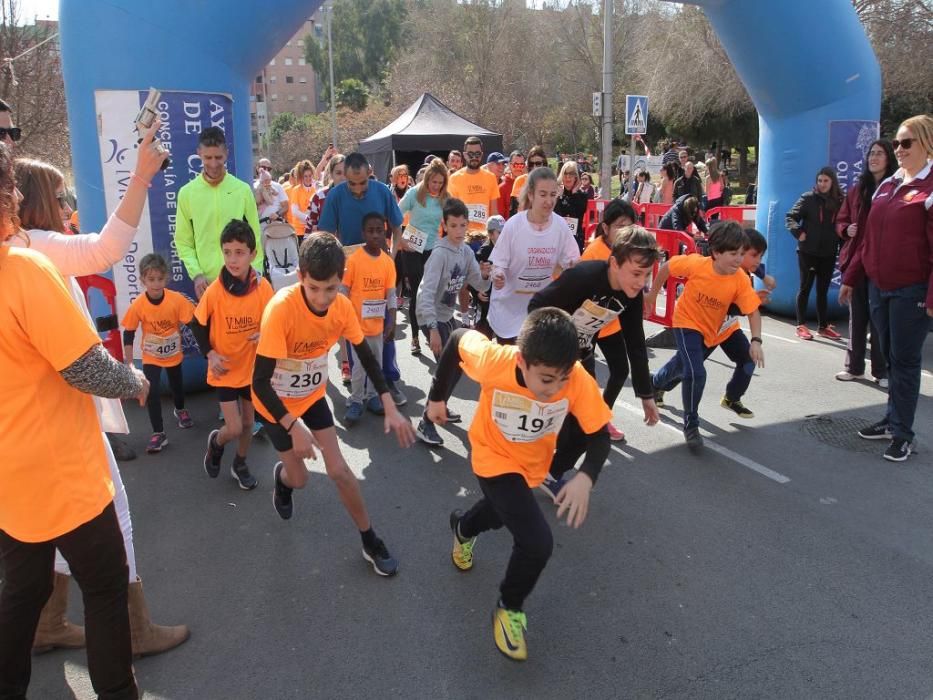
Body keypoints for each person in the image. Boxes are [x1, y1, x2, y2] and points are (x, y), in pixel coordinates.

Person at [11, 134, 189, 657]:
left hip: (32, 422)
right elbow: (106, 248)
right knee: (115, 515)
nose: (69, 207)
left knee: (43, 529)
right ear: (38, 201)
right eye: (62, 197)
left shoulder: (23, 249)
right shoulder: (32, 248)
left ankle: (46, 623)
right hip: (61, 414)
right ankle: (132, 631)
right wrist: (140, 176)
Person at [0, 141, 145, 699]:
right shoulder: (26, 269)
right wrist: (134, 381)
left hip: (12, 481)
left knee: (23, 586)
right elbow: (86, 369)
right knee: (105, 589)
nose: (17, 195)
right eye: (10, 185)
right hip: (62, 472)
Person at [425, 308, 612, 661]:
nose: (555, 389)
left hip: (530, 465)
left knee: (499, 514)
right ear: (523, 361)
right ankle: (509, 608)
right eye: (545, 379)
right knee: (537, 542)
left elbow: (598, 434)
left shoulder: (575, 379)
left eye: (562, 378)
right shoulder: (494, 359)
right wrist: (437, 397)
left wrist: (586, 476)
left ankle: (464, 527)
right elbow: (455, 339)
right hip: (491, 457)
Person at [251, 233, 415, 575]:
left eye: (331, 288)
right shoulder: (281, 310)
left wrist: (388, 402)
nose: (323, 298)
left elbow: (367, 357)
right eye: (314, 288)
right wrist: (292, 427)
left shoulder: (341, 307)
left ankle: (369, 539)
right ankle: (283, 480)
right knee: (301, 480)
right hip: (275, 404)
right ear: (300, 277)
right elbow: (259, 383)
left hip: (311, 397)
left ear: (341, 281)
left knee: (339, 470)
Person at [840, 114, 933, 462]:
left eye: (906, 142)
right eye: (896, 143)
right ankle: (892, 419)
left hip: (912, 290)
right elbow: (867, 238)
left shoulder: (929, 187)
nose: (899, 149)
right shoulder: (888, 184)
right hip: (878, 287)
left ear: (926, 142)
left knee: (905, 362)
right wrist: (851, 277)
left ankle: (903, 433)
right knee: (891, 360)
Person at [529, 222, 661, 466]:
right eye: (635, 273)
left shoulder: (630, 295)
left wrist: (646, 394)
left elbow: (636, 344)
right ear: (614, 263)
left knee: (589, 427)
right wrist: (553, 347)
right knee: (549, 421)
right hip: (550, 354)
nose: (641, 283)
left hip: (582, 357)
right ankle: (525, 463)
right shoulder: (584, 276)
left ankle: (553, 472)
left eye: (646, 275)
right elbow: (536, 305)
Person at [645, 221, 764, 450]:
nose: (739, 259)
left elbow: (753, 311)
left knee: (685, 364)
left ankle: (655, 382)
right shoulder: (697, 265)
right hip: (687, 322)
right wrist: (651, 295)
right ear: (716, 252)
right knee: (696, 372)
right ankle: (691, 423)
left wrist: (756, 341)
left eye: (742, 253)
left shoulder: (739, 278)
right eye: (733, 254)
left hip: (717, 329)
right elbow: (668, 266)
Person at [317, 152, 407, 406]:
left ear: (369, 173)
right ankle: (360, 388)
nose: (357, 189)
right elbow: (325, 232)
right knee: (354, 329)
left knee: (385, 326)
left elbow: (398, 227)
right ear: (344, 176)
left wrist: (393, 252)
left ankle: (388, 381)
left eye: (362, 182)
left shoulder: (381, 192)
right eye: (351, 183)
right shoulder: (335, 195)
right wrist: (336, 260)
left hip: (380, 269)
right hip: (350, 271)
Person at [547, 199, 640, 441]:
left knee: (620, 371)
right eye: (620, 225)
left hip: (611, 323)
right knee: (581, 379)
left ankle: (600, 417)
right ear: (605, 227)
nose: (625, 231)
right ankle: (569, 424)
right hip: (585, 324)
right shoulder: (595, 253)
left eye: (630, 226)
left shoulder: (630, 252)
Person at [192, 219, 274, 491]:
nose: (232, 259)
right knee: (235, 427)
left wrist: (265, 335)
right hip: (225, 369)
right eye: (227, 252)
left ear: (253, 254)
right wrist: (210, 354)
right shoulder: (215, 290)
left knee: (250, 423)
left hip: (252, 369)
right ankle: (217, 442)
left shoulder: (262, 288)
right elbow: (197, 323)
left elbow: (274, 322)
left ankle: (240, 463)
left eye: (239, 252)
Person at [414, 198, 492, 445]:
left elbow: (478, 283)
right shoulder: (439, 254)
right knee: (446, 369)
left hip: (447, 315)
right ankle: (425, 421)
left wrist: (489, 278)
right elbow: (426, 293)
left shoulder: (466, 251)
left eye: (463, 225)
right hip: (429, 316)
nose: (459, 231)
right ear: (445, 226)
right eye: (454, 226)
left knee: (457, 367)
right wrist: (432, 329)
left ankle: (440, 406)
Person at [488, 167, 580, 344]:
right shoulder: (514, 225)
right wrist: (497, 275)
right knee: (512, 369)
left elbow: (573, 262)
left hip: (539, 312)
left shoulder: (560, 226)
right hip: (509, 312)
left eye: (553, 195)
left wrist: (574, 269)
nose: (549, 201)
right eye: (543, 194)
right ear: (531, 195)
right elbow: (498, 263)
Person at [834, 140, 896, 386]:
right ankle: (854, 367)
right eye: (871, 153)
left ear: (888, 159)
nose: (874, 157)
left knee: (879, 318)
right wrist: (844, 229)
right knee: (857, 317)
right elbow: (841, 219)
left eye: (879, 154)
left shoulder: (895, 187)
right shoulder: (857, 189)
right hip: (856, 261)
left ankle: (881, 372)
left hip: (881, 263)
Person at [175, 126, 263, 299]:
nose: (214, 164)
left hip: (241, 282)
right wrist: (197, 274)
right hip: (206, 286)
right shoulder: (187, 193)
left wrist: (256, 272)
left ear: (227, 154)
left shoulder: (242, 190)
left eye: (218, 157)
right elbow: (183, 242)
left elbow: (256, 237)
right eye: (208, 157)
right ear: (199, 153)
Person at [121, 253, 196, 453]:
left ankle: (180, 409)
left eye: (160, 279)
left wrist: (208, 348)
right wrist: (130, 365)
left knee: (176, 386)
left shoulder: (176, 300)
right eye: (151, 279)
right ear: (142, 280)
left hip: (173, 354)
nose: (155, 284)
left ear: (166, 279)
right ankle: (158, 433)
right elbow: (128, 334)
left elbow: (194, 325)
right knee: (151, 392)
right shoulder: (138, 304)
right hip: (151, 356)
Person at [342, 213, 398, 424]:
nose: (375, 235)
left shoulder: (387, 263)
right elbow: (344, 290)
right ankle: (356, 400)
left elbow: (391, 294)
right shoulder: (354, 260)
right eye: (371, 231)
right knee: (358, 368)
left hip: (376, 326)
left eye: (379, 231)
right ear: (363, 233)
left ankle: (373, 396)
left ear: (385, 233)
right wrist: (344, 319)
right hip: (356, 326)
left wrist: (391, 321)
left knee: (376, 364)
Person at [785, 166, 844, 340]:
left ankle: (823, 326)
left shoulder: (840, 201)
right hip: (807, 252)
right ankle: (801, 325)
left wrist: (843, 248)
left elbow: (843, 225)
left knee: (822, 291)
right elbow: (790, 216)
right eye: (820, 180)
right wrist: (798, 232)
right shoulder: (808, 198)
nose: (822, 184)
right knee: (805, 288)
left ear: (832, 182)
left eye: (826, 181)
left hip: (828, 252)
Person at [397, 157, 448, 356]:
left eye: (440, 183)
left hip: (433, 248)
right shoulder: (414, 193)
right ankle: (415, 336)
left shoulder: (444, 197)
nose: (436, 186)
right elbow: (394, 214)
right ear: (427, 179)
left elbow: (451, 220)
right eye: (433, 182)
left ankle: (430, 333)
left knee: (431, 292)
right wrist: (401, 241)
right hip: (412, 248)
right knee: (418, 290)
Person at [447, 136, 500, 244]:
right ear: (465, 155)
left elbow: (493, 211)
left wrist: (495, 237)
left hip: (485, 237)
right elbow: (451, 212)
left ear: (482, 154)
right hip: (463, 236)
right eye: (471, 154)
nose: (474, 157)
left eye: (477, 154)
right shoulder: (455, 178)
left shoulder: (491, 177)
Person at [474, 214, 505, 338]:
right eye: (500, 232)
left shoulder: (510, 248)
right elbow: (472, 276)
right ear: (491, 234)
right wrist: (477, 292)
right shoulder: (483, 252)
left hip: (504, 299)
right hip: (487, 300)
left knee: (505, 337)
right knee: (483, 335)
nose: (504, 236)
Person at [304, 153, 345, 234]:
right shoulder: (319, 197)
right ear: (331, 174)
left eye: (346, 173)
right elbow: (309, 229)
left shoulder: (357, 196)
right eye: (338, 173)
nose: (343, 177)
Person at [554, 161, 589, 252]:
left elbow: (576, 213)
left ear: (576, 177)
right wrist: (559, 198)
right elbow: (555, 215)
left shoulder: (582, 196)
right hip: (558, 238)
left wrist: (574, 193)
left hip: (575, 239)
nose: (568, 177)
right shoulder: (556, 195)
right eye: (565, 173)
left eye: (571, 174)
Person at [510, 146, 547, 216]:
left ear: (544, 164)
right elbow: (513, 211)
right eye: (531, 164)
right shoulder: (520, 181)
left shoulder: (550, 182)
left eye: (538, 164)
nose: (534, 167)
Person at [286, 159, 316, 238]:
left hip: (311, 230)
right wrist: (307, 218)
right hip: (299, 231)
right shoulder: (296, 190)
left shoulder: (314, 190)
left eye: (310, 176)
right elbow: (294, 211)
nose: (308, 178)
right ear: (301, 177)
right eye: (305, 176)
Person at [253, 158, 288, 224]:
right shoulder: (253, 186)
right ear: (257, 168)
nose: (266, 170)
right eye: (263, 167)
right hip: (258, 225)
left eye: (269, 169)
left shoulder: (277, 186)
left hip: (275, 226)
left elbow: (286, 206)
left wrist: (277, 214)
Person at [499, 151, 525, 221]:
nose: (518, 168)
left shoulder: (530, 184)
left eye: (521, 165)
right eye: (515, 165)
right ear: (510, 165)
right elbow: (500, 217)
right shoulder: (502, 188)